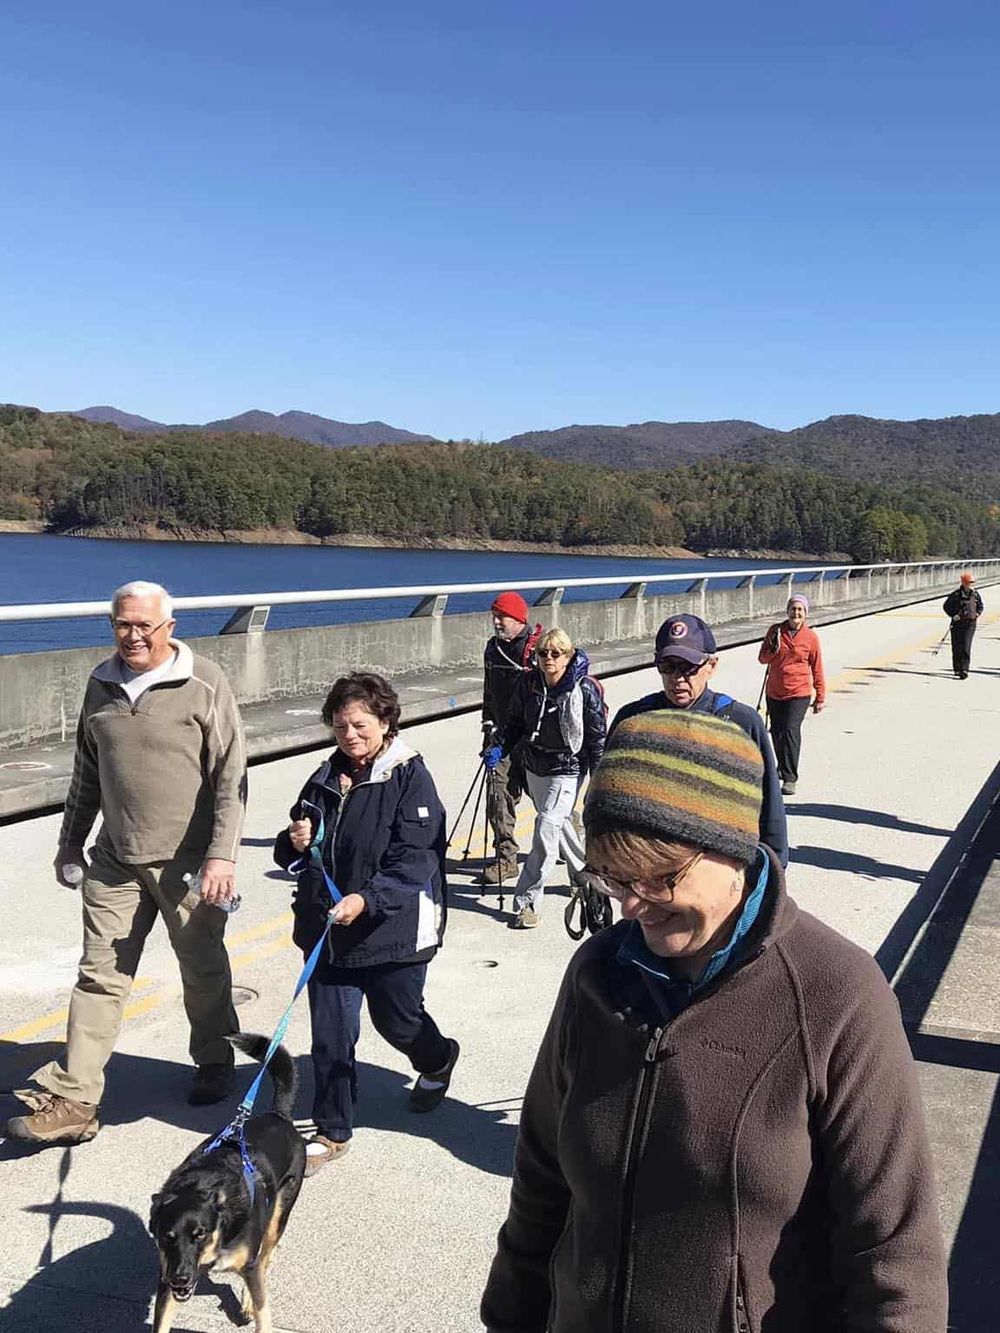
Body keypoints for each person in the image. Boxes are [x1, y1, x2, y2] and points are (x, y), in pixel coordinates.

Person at [481, 710, 948, 1333]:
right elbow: (541, 1176)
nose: (633, 905)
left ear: (732, 850)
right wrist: (509, 1313)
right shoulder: (596, 973)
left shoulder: (837, 995)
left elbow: (895, 1256)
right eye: (615, 878)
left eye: (657, 878)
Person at [6, 581, 246, 1147]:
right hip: (114, 859)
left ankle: (216, 1058)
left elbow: (231, 777)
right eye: (122, 624)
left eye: (144, 625)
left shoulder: (204, 681)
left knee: (202, 967)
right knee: (99, 976)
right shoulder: (101, 683)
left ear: (170, 627)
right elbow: (87, 772)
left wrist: (221, 855)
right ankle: (76, 1098)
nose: (132, 634)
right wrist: (70, 843)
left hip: (187, 863)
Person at [273, 672, 458, 1175]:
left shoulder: (409, 778)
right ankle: (332, 1129)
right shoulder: (322, 778)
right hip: (331, 933)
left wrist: (366, 899)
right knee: (331, 1035)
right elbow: (294, 847)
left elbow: (414, 862)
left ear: (385, 721)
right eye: (339, 727)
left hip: (393, 932)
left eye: (359, 725)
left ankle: (437, 1060)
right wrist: (293, 840)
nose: (349, 735)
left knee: (397, 1021)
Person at [611, 612, 788, 866]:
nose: (677, 678)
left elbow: (769, 805)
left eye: (688, 667)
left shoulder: (742, 723)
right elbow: (607, 800)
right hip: (651, 872)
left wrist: (774, 869)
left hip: (717, 870)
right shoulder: (632, 721)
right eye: (668, 667)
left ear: (712, 666)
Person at [483, 628, 606, 929]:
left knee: (545, 830)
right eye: (542, 653)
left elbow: (596, 739)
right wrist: (499, 746)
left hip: (568, 768)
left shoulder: (583, 689)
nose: (548, 659)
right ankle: (583, 877)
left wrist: (599, 780)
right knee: (558, 823)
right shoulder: (528, 684)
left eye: (556, 653)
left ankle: (526, 903)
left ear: (568, 656)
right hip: (534, 766)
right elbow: (514, 723)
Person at [480, 591, 542, 885]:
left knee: (545, 801)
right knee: (498, 796)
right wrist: (487, 727)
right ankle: (506, 859)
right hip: (502, 738)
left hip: (534, 739)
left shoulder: (539, 649)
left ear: (518, 618)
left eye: (500, 616)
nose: (495, 622)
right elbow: (489, 691)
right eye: (494, 616)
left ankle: (569, 842)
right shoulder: (492, 650)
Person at [758, 593, 825, 796]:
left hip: (799, 692)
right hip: (775, 691)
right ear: (787, 611)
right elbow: (763, 658)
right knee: (777, 732)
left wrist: (820, 695)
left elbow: (817, 667)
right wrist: (773, 648)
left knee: (790, 731)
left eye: (800, 610)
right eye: (793, 609)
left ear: (805, 614)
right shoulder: (775, 631)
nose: (796, 613)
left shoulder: (811, 637)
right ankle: (781, 766)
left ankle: (790, 777)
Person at [943, 570, 983, 679]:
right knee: (957, 646)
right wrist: (953, 615)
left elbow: (980, 606)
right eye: (969, 582)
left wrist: (978, 613)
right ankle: (957, 668)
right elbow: (946, 606)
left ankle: (964, 669)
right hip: (957, 624)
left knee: (966, 645)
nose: (971, 585)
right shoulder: (955, 595)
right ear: (963, 582)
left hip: (970, 624)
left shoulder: (975, 594)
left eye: (972, 582)